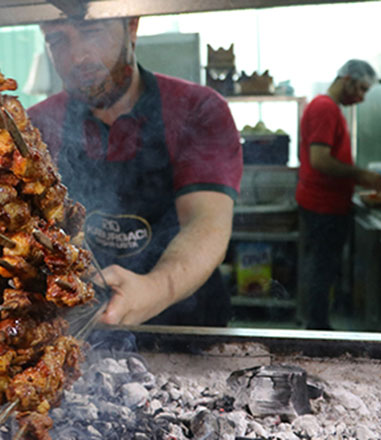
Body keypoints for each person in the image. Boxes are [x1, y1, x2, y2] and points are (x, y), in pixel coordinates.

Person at [28, 17, 242, 327]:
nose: (77, 56)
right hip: (80, 330)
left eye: (91, 32)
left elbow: (206, 221)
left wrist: (156, 288)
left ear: (131, 27)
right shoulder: (35, 128)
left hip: (186, 326)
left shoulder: (197, 109)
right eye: (58, 41)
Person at [295, 59, 381, 330]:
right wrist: (361, 174)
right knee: (323, 270)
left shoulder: (328, 108)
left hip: (325, 204)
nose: (361, 98)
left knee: (323, 269)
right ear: (346, 79)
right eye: (361, 89)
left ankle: (317, 325)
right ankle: (317, 331)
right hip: (323, 206)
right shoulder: (325, 108)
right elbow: (320, 160)